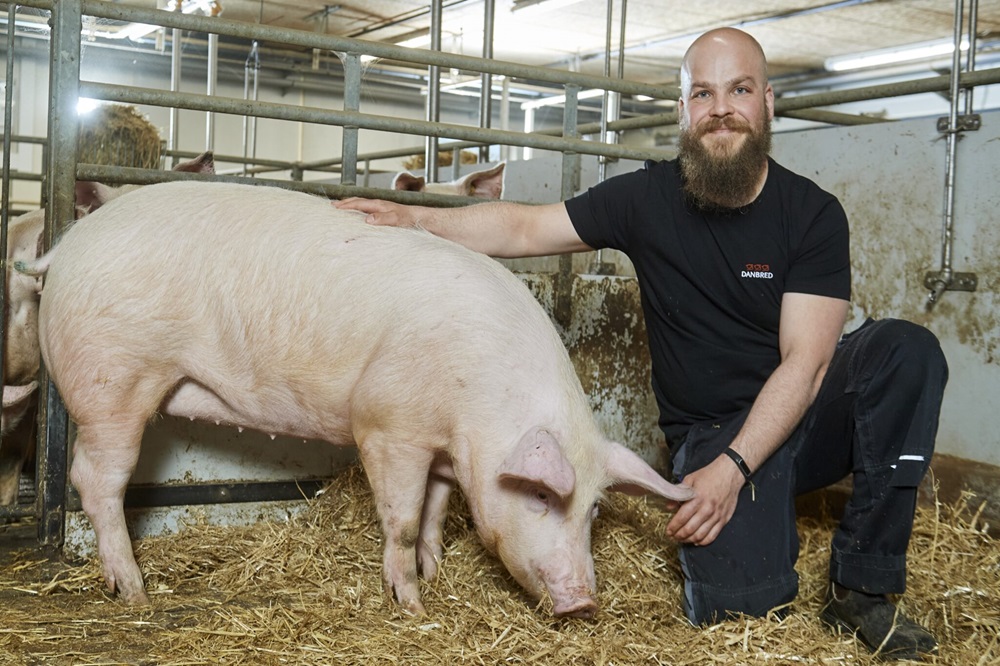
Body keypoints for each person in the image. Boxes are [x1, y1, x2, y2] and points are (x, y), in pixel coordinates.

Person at [336, 27, 948, 661]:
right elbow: (523, 226)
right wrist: (414, 219)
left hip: (799, 418)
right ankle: (760, 532)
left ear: (768, 102)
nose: (721, 109)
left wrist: (734, 473)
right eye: (702, 93)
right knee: (741, 613)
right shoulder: (647, 198)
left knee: (906, 351)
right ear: (682, 109)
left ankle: (863, 589)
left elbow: (809, 362)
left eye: (738, 90)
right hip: (711, 431)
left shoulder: (813, 214)